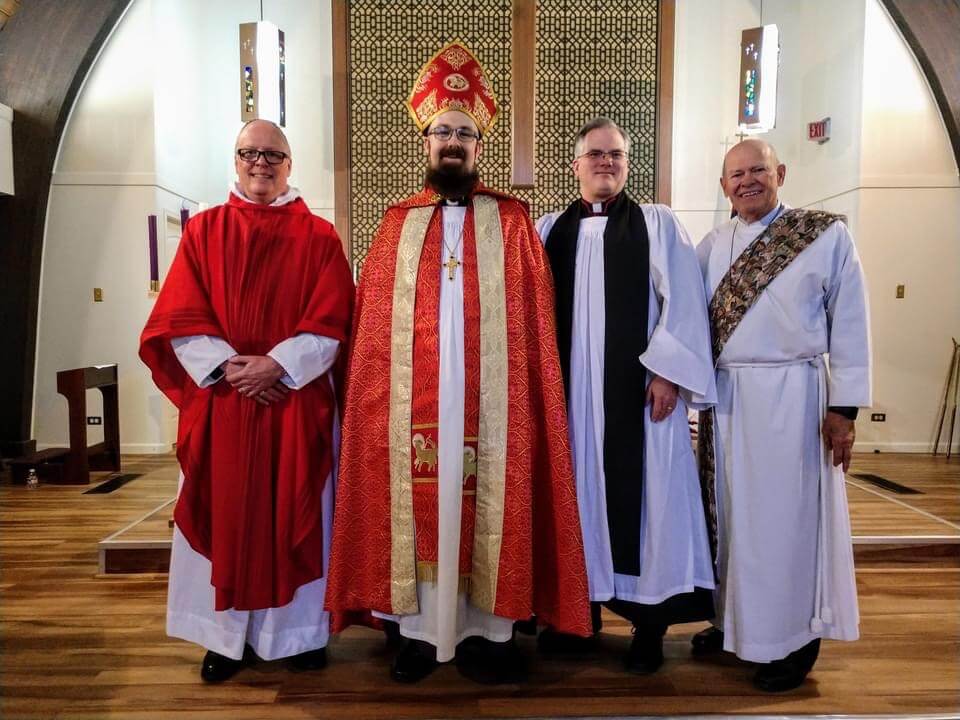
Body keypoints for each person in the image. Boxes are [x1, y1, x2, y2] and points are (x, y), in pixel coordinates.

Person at [325, 41, 591, 685]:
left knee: (489, 501)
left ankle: (489, 632)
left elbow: (534, 332)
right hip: (413, 407)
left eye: (464, 134)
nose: (453, 142)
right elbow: (372, 341)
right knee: (417, 504)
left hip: (492, 406)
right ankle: (418, 633)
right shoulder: (395, 226)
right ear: (425, 141)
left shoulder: (515, 223)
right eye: (442, 131)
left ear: (480, 145)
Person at [139, 119, 354, 682]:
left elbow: (334, 320)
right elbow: (180, 316)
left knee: (298, 512)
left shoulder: (320, 237)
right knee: (225, 512)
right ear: (235, 160)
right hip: (225, 404)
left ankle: (299, 636)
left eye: (273, 154)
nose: (261, 162)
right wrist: (234, 371)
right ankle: (225, 639)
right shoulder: (204, 231)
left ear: (290, 163)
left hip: (293, 402)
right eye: (249, 152)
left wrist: (278, 364)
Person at [536, 117, 717, 674]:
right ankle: (578, 615)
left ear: (627, 163)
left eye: (615, 154)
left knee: (650, 509)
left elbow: (683, 300)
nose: (606, 163)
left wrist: (666, 372)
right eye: (595, 154)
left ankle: (649, 627)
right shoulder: (549, 230)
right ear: (575, 165)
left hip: (639, 400)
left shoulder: (657, 224)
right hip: (569, 399)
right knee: (577, 501)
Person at [694, 138, 871, 692]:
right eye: (736, 174)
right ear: (724, 186)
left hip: (794, 400)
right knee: (731, 518)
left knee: (786, 527)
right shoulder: (711, 244)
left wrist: (843, 410)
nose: (747, 181)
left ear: (781, 174)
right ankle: (734, 626)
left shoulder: (823, 235)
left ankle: (792, 642)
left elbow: (851, 322)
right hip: (728, 401)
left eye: (758, 171)